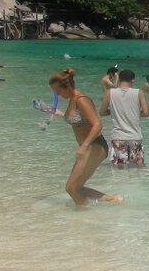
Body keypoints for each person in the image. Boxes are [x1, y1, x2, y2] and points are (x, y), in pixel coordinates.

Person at [48, 68, 121, 206]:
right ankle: (114, 201)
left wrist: (84, 147)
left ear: (67, 86)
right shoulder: (72, 100)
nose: (56, 94)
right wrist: (60, 114)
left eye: (57, 91)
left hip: (94, 145)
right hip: (89, 146)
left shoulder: (81, 100)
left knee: (71, 188)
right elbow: (80, 120)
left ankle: (84, 216)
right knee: (76, 187)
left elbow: (97, 124)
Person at [99, 68, 149, 167]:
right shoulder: (139, 92)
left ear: (120, 78)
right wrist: (134, 112)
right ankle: (143, 182)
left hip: (118, 136)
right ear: (133, 80)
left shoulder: (110, 92)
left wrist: (114, 112)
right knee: (139, 164)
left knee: (120, 165)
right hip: (135, 135)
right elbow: (146, 112)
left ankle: (121, 182)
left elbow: (102, 112)